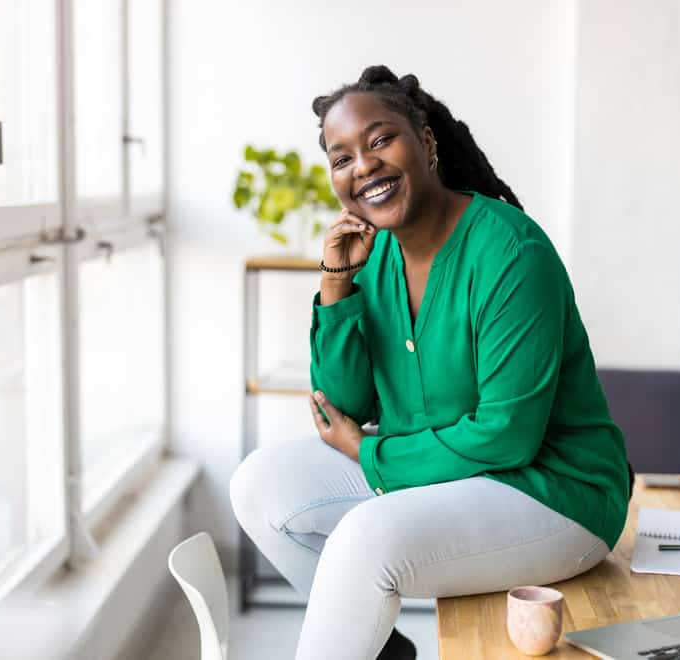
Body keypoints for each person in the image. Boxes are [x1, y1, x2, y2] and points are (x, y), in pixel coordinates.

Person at [230, 65, 631, 660]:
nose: (362, 165)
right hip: (447, 477)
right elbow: (345, 405)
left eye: (379, 139)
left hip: (553, 493)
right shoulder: (375, 252)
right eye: (341, 158)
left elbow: (507, 437)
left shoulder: (510, 252)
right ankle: (381, 650)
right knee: (259, 484)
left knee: (364, 540)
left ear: (427, 142)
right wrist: (337, 279)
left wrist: (367, 453)